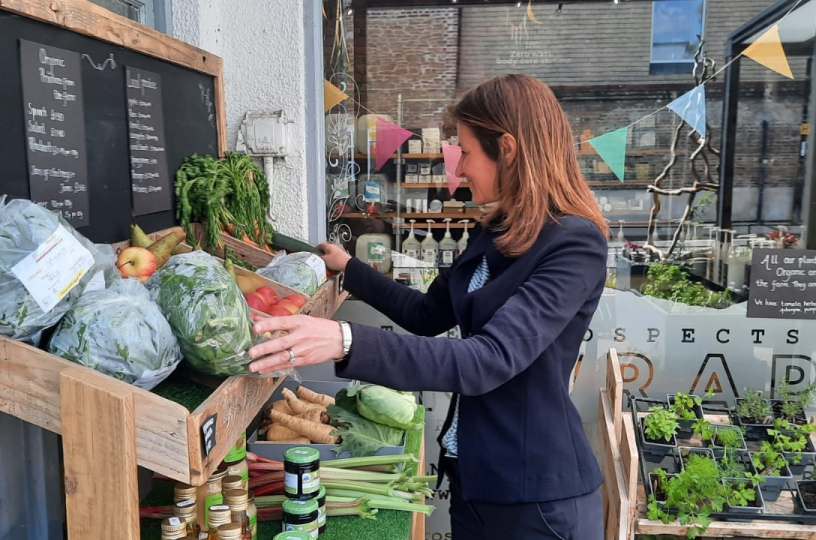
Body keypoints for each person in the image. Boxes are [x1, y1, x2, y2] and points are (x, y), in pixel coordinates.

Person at [248, 74, 609, 540]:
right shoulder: (494, 231)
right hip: (474, 482)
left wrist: (345, 339)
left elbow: (491, 359)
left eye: (466, 153)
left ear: (509, 149)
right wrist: (350, 269)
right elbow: (427, 315)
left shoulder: (574, 244)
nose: (457, 171)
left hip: (535, 500)